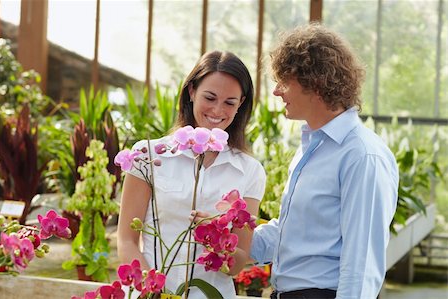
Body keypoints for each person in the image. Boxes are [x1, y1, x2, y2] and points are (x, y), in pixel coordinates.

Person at [251, 23, 399, 299]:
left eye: (284, 81)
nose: (277, 92)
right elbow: (293, 234)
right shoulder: (312, 147)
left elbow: (362, 262)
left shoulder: (361, 155)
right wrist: (229, 233)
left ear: (314, 83)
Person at [117, 50, 266, 298]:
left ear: (241, 105)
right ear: (192, 91)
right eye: (210, 97)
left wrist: (217, 239)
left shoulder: (250, 171)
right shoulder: (148, 155)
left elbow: (238, 263)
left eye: (230, 102)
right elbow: (126, 240)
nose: (218, 110)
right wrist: (151, 290)